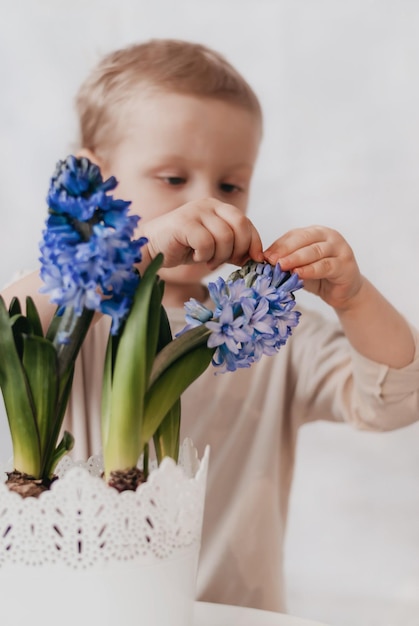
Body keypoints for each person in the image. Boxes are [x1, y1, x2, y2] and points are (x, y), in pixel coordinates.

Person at [2, 39, 419, 613]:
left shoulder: (273, 326)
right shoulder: (69, 313)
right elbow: (7, 328)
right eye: (173, 178)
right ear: (97, 182)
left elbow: (396, 399)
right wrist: (135, 252)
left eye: (230, 185)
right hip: (85, 610)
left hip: (236, 614)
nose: (205, 202)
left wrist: (356, 298)